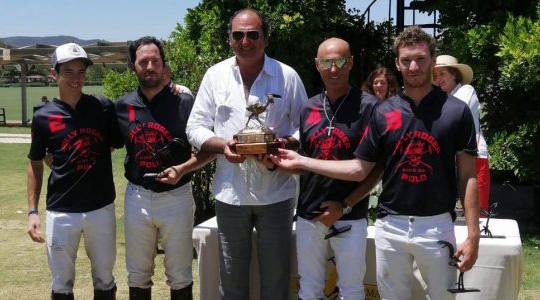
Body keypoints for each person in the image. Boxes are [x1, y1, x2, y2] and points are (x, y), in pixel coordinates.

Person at [270, 26, 480, 299]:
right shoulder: (384, 111)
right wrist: (295, 159)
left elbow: (468, 176)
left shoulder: (456, 111)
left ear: (432, 59)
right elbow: (362, 167)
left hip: (436, 224)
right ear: (397, 63)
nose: (413, 66)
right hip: (390, 224)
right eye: (406, 60)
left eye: (421, 59)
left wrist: (473, 235)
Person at [186, 8, 307, 300]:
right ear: (230, 39)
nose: (245, 41)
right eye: (238, 35)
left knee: (276, 279)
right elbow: (195, 126)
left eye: (253, 34)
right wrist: (222, 146)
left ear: (265, 37)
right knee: (231, 282)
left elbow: (308, 128)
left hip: (276, 193)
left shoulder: (286, 76)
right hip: (231, 194)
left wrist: (283, 144)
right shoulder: (215, 76)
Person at [115, 36, 214, 300]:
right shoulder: (123, 107)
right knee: (137, 275)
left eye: (155, 61)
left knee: (180, 274)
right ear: (133, 66)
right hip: (137, 198)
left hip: (177, 198)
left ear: (163, 65)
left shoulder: (184, 103)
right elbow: (105, 143)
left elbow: (207, 149)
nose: (149, 67)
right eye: (143, 61)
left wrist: (182, 168)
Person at [26, 42, 121, 300]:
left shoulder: (102, 107)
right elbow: (35, 162)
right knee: (61, 283)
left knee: (104, 279)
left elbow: (115, 142)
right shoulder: (43, 116)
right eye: (68, 71)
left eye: (81, 71)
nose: (76, 78)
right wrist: (33, 212)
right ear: (54, 74)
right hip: (61, 211)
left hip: (100, 207)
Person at [294, 37, 379, 299]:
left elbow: (376, 169)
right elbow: (304, 160)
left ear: (351, 63)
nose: (334, 69)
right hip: (309, 213)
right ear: (317, 65)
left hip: (350, 214)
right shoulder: (308, 107)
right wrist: (275, 163)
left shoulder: (369, 107)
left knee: (352, 289)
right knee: (309, 288)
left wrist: (346, 204)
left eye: (340, 61)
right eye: (327, 62)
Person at [433, 55, 490, 212]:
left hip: (474, 158)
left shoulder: (466, 90)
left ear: (454, 74)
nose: (438, 78)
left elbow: (450, 117)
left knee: (477, 212)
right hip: (449, 160)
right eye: (435, 75)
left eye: (442, 73)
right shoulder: (439, 99)